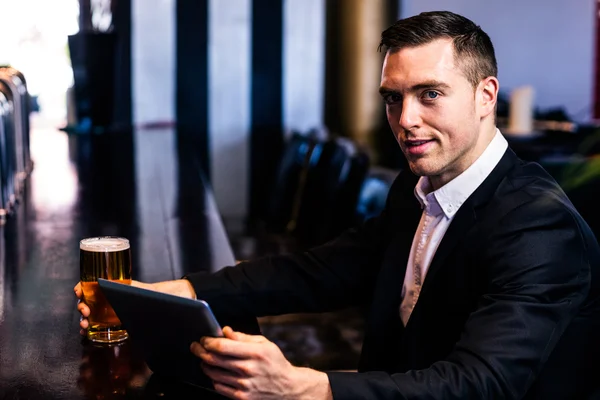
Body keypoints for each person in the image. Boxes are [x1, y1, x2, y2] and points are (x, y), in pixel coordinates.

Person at [75, 11, 600, 400]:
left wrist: (304, 386)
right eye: (393, 97)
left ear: (486, 95)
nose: (406, 119)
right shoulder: (420, 185)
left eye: (430, 94)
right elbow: (321, 271)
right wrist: (165, 293)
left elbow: (480, 384)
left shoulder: (540, 227)